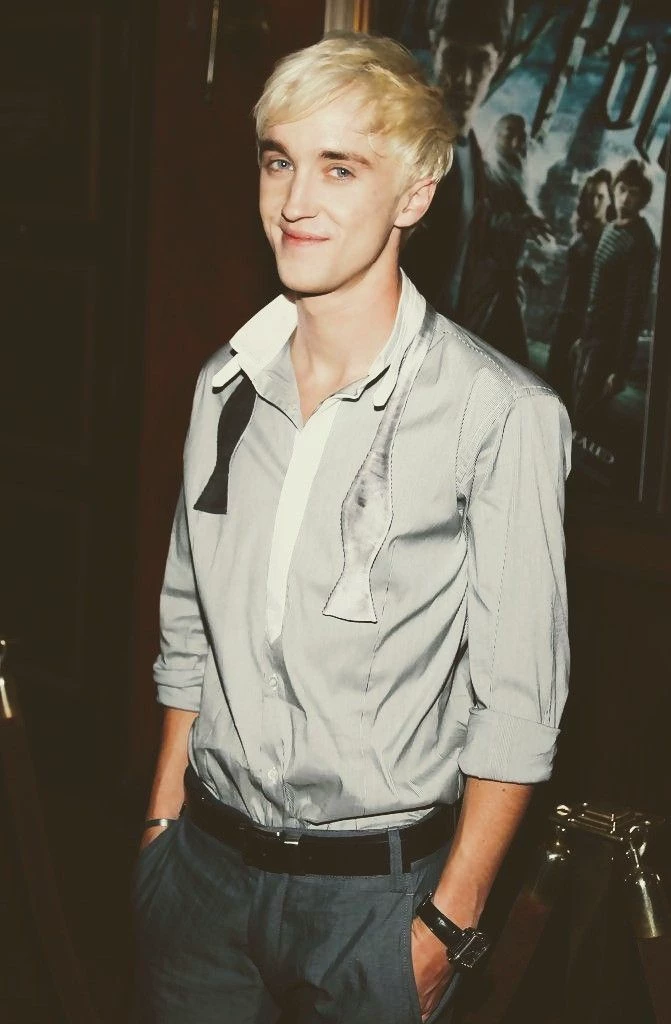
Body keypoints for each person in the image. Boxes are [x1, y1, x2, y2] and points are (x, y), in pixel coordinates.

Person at [134, 32, 571, 1024]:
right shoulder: (224, 386)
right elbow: (188, 627)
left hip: (376, 903)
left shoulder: (498, 413)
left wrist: (447, 925)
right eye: (278, 160)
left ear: (413, 194)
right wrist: (161, 825)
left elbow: (517, 701)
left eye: (339, 168)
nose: (295, 201)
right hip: (201, 878)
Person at [401, 0, 532, 364]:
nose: (465, 80)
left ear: (498, 61)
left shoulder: (473, 154)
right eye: (455, 57)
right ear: (434, 45)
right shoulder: (409, 148)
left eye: (481, 62)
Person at [571, 158, 657, 429]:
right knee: (571, 409)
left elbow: (634, 307)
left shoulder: (641, 241)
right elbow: (597, 290)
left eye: (634, 193)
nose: (626, 198)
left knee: (584, 420)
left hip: (609, 344)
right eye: (622, 189)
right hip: (590, 337)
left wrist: (619, 370)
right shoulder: (610, 228)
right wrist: (584, 337)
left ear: (644, 198)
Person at [545, 168, 615, 405]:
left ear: (610, 200)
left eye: (600, 197)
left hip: (588, 326)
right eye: (590, 196)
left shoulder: (609, 239)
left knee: (574, 397)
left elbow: (605, 295)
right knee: (551, 387)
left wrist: (586, 334)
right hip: (566, 320)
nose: (594, 203)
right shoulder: (581, 233)